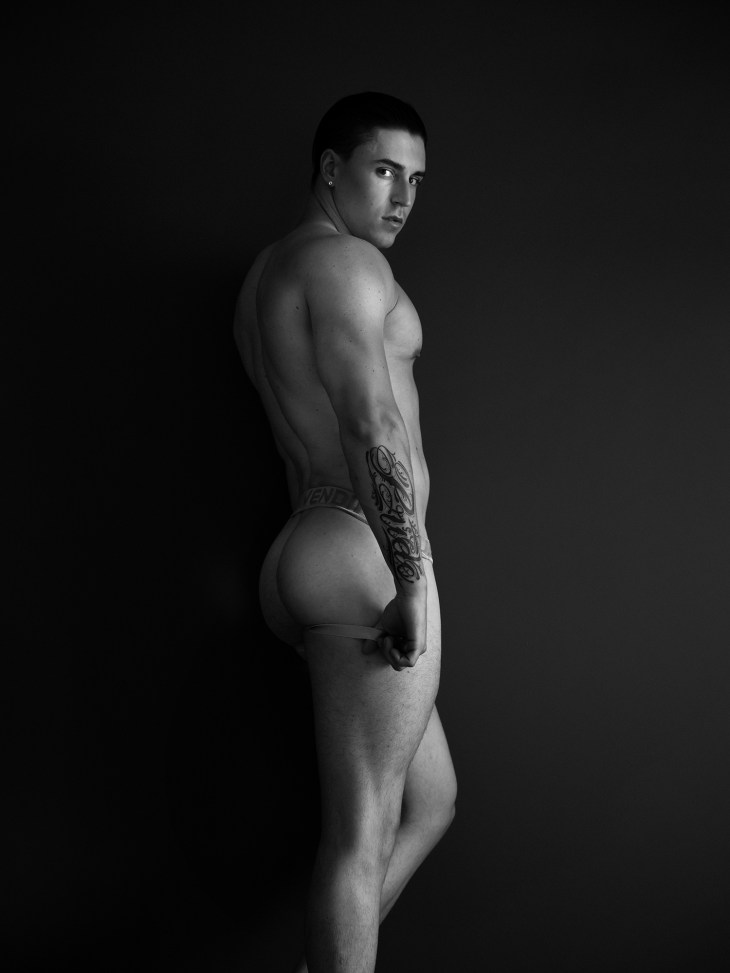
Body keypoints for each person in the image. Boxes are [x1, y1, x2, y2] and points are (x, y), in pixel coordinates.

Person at [233, 92, 456, 973]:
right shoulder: (348, 265)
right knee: (358, 835)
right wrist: (410, 577)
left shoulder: (267, 274)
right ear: (332, 168)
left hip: (304, 543)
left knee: (431, 802)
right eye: (384, 170)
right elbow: (370, 425)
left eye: (417, 180)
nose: (403, 197)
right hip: (362, 548)